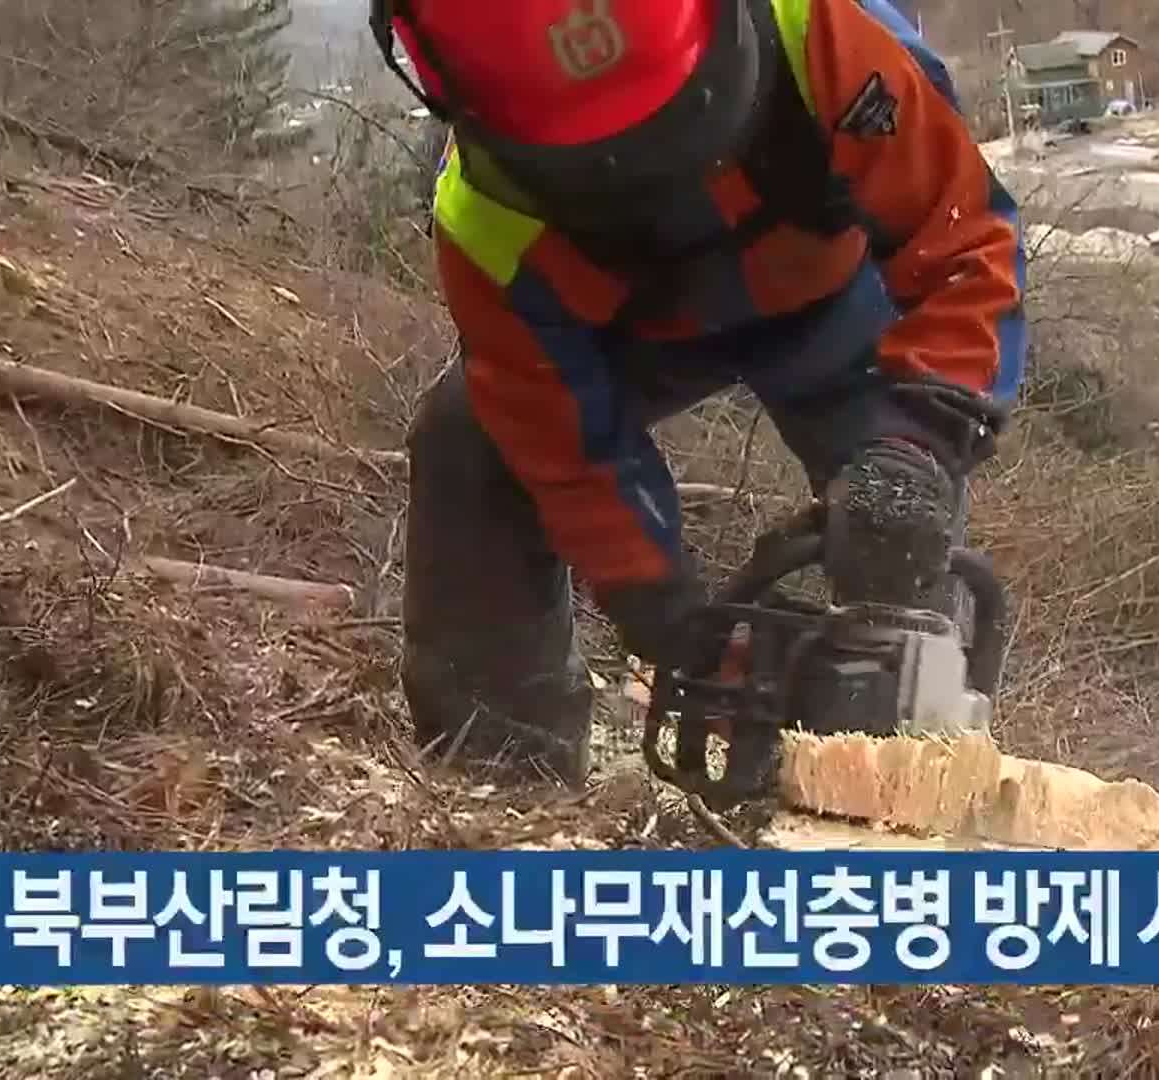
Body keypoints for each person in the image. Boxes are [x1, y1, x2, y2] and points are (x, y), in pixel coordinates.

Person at [367, 0, 1027, 784]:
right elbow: (561, 443)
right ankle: (501, 781)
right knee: (474, 441)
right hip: (645, 332)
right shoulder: (487, 230)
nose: (662, 189)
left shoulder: (827, 35)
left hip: (840, 297)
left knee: (895, 526)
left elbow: (964, 240)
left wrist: (919, 438)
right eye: (615, 181)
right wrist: (674, 619)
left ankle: (907, 777)